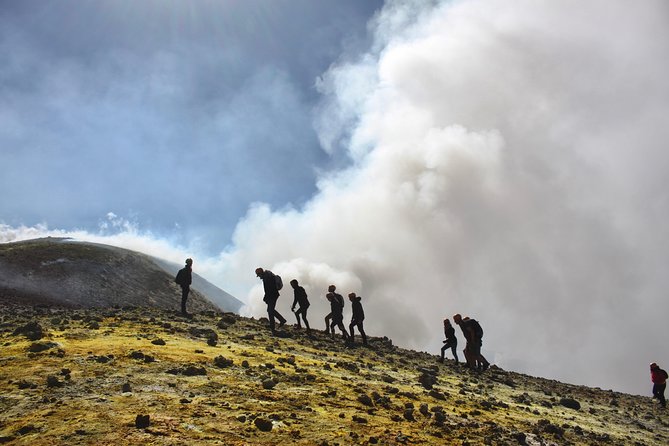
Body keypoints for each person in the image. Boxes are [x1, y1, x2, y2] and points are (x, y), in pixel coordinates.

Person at [255, 267, 287, 333]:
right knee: (270, 310)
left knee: (270, 311)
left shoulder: (268, 278)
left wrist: (267, 297)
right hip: (273, 295)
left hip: (272, 296)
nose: (259, 277)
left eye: (259, 275)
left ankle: (273, 328)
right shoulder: (267, 276)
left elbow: (270, 289)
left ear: (261, 273)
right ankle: (281, 320)